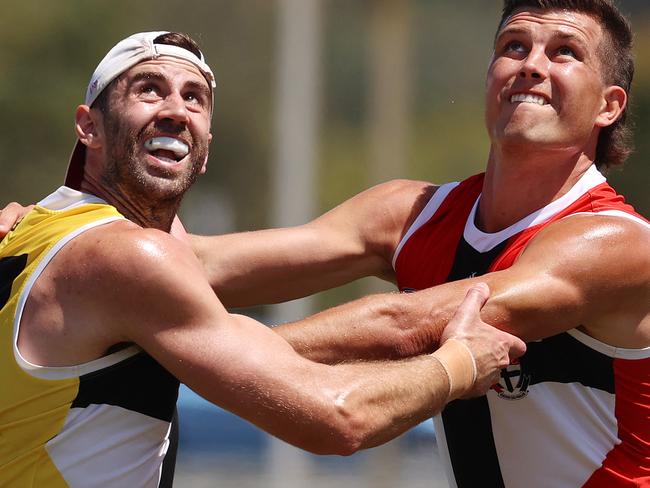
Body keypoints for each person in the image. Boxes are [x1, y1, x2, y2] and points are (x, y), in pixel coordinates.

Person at [2, 0, 649, 486]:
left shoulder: (616, 244)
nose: (531, 64)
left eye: (564, 52)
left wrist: (193, 348)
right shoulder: (413, 212)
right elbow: (192, 265)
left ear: (609, 105)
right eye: (513, 45)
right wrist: (56, 235)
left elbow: (413, 324)